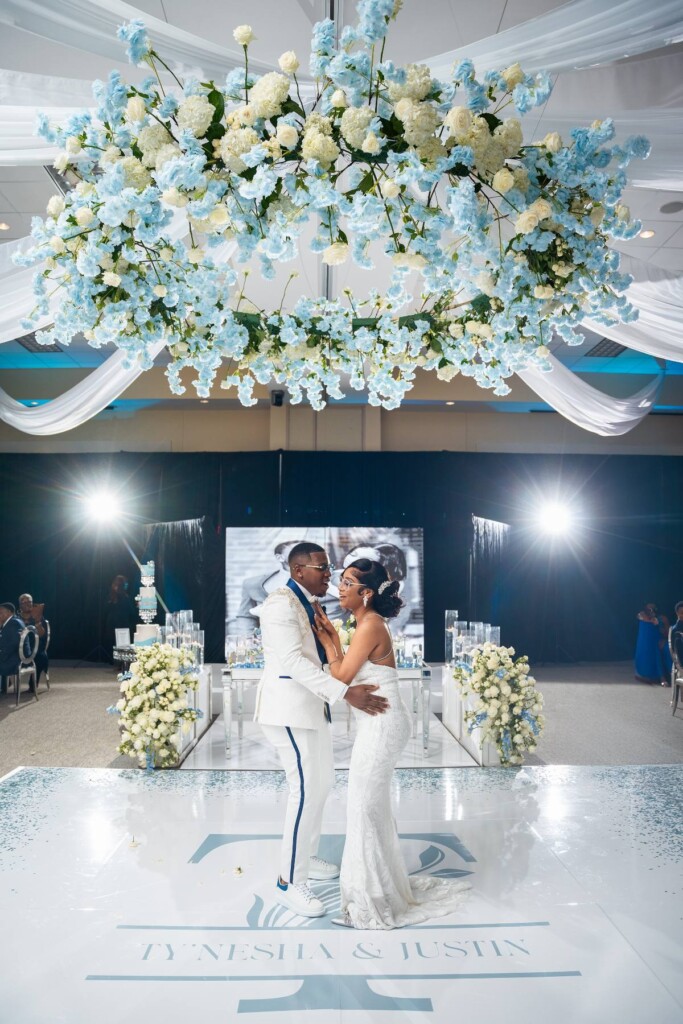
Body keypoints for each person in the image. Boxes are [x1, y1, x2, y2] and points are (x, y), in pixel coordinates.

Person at [313, 558, 470, 929]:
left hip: (382, 724)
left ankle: (368, 903)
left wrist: (328, 642)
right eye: (341, 580)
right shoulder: (365, 622)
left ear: (366, 593)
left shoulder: (370, 624)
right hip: (380, 721)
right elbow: (347, 671)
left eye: (348, 583)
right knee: (371, 808)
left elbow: (341, 675)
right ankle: (380, 890)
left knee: (363, 809)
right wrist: (333, 637)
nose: (340, 588)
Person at [255, 541, 389, 918]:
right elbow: (293, 662)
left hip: (311, 709)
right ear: (298, 570)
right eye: (322, 568)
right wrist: (346, 693)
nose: (330, 574)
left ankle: (306, 855)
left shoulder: (309, 602)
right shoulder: (281, 604)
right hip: (289, 711)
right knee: (303, 791)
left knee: (322, 783)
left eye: (329, 568)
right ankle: (289, 882)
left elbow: (317, 656)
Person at [635, 603, 672, 685]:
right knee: (655, 649)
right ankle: (660, 677)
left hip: (660, 640)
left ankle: (666, 676)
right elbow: (640, 617)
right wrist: (651, 620)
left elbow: (668, 633)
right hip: (647, 642)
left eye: (653, 608)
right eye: (649, 608)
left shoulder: (662, 618)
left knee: (661, 649)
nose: (651, 610)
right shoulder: (642, 615)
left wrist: (660, 627)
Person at [103, 575, 136, 661]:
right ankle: (121, 661)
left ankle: (114, 661)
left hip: (113, 623)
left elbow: (105, 610)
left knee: (114, 643)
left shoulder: (111, 597)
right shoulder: (124, 597)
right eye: (125, 584)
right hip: (121, 623)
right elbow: (131, 612)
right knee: (122, 644)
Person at [18, 593, 49, 684]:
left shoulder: (38, 616)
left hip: (35, 648)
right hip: (19, 647)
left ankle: (33, 685)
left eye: (29, 602)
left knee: (40, 657)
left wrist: (38, 623)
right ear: (20, 605)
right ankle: (5, 683)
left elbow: (42, 635)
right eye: (24, 602)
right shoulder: (16, 618)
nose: (27, 604)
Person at [0, 602, 25, 695]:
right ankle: (3, 685)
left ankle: (2, 686)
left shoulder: (13, 624)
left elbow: (12, 645)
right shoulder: (13, 621)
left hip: (15, 660)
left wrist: (1, 656)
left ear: (9, 612)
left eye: (0, 612)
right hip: (15, 656)